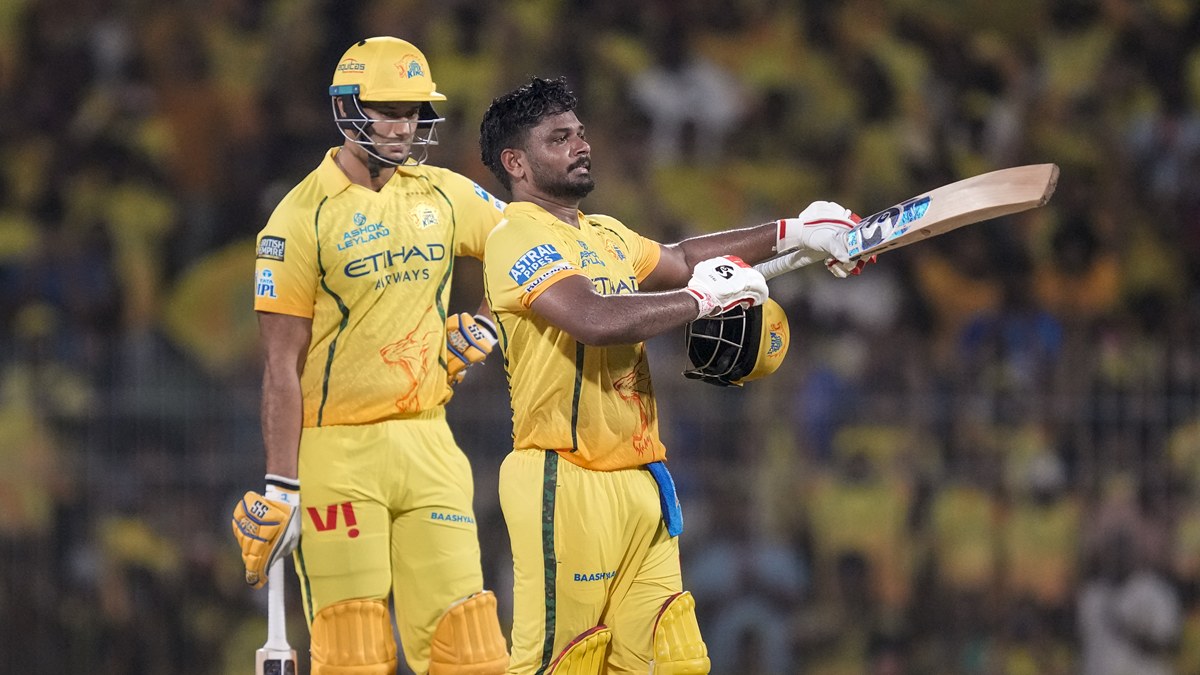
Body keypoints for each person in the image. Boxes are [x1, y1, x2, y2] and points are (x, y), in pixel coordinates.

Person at [477, 76, 860, 674]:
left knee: (670, 661)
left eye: (580, 133)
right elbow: (593, 319)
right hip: (564, 480)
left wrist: (794, 233)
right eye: (559, 138)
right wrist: (700, 302)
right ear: (516, 163)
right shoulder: (514, 237)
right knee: (561, 664)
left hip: (641, 480)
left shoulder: (604, 233)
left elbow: (682, 258)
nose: (581, 146)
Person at [230, 37, 510, 675]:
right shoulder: (298, 219)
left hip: (430, 442)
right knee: (353, 655)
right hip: (337, 455)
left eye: (413, 111)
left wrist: (489, 325)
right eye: (388, 110)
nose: (403, 125)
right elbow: (280, 365)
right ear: (346, 108)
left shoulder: (443, 193)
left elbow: (529, 244)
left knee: (470, 651)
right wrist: (280, 486)